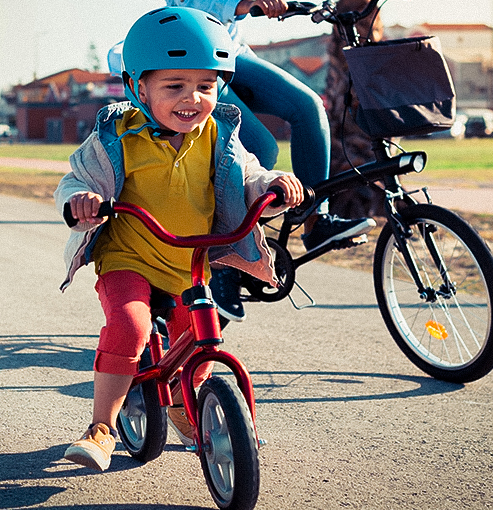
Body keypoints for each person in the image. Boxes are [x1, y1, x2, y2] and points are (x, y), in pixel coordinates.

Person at [55, 6, 305, 471]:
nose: (193, 99)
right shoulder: (118, 137)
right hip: (127, 256)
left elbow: (247, 174)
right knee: (129, 327)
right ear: (139, 87)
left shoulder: (217, 134)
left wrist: (272, 187)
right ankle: (102, 428)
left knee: (199, 334)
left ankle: (182, 401)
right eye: (175, 86)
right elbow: (74, 180)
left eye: (206, 86)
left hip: (188, 262)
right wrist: (82, 201)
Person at [135, 0, 376, 323]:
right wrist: (242, 4)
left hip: (232, 49)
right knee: (261, 148)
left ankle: (316, 221)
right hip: (195, 52)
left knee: (308, 108)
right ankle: (224, 258)